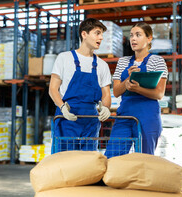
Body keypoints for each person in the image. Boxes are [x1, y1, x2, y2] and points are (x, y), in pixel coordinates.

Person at [105, 22, 168, 158]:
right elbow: (116, 91)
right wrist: (127, 79)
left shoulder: (158, 61)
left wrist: (138, 89)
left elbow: (159, 94)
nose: (133, 39)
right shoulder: (123, 62)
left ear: (149, 38)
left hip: (148, 117)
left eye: (138, 35)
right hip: (125, 116)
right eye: (132, 35)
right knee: (112, 157)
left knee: (144, 159)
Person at [49, 18, 112, 152]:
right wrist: (62, 107)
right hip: (67, 117)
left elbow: (106, 93)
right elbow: (53, 89)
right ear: (84, 34)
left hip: (90, 120)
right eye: (97, 33)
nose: (101, 38)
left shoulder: (102, 65)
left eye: (102, 34)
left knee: (88, 163)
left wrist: (106, 108)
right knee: (65, 159)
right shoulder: (64, 58)